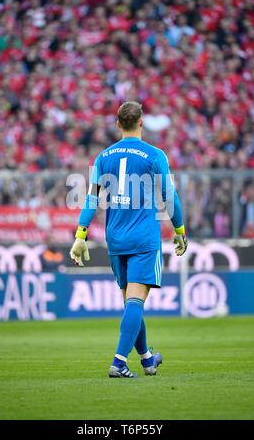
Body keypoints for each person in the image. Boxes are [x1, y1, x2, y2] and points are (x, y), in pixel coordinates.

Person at [70, 102, 187, 378]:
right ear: (142, 122)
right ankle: (119, 362)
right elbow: (169, 197)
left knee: (131, 303)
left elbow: (91, 199)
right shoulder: (154, 155)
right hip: (144, 239)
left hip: (116, 238)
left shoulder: (103, 157)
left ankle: (147, 360)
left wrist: (80, 235)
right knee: (135, 301)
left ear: (118, 124)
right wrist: (180, 230)